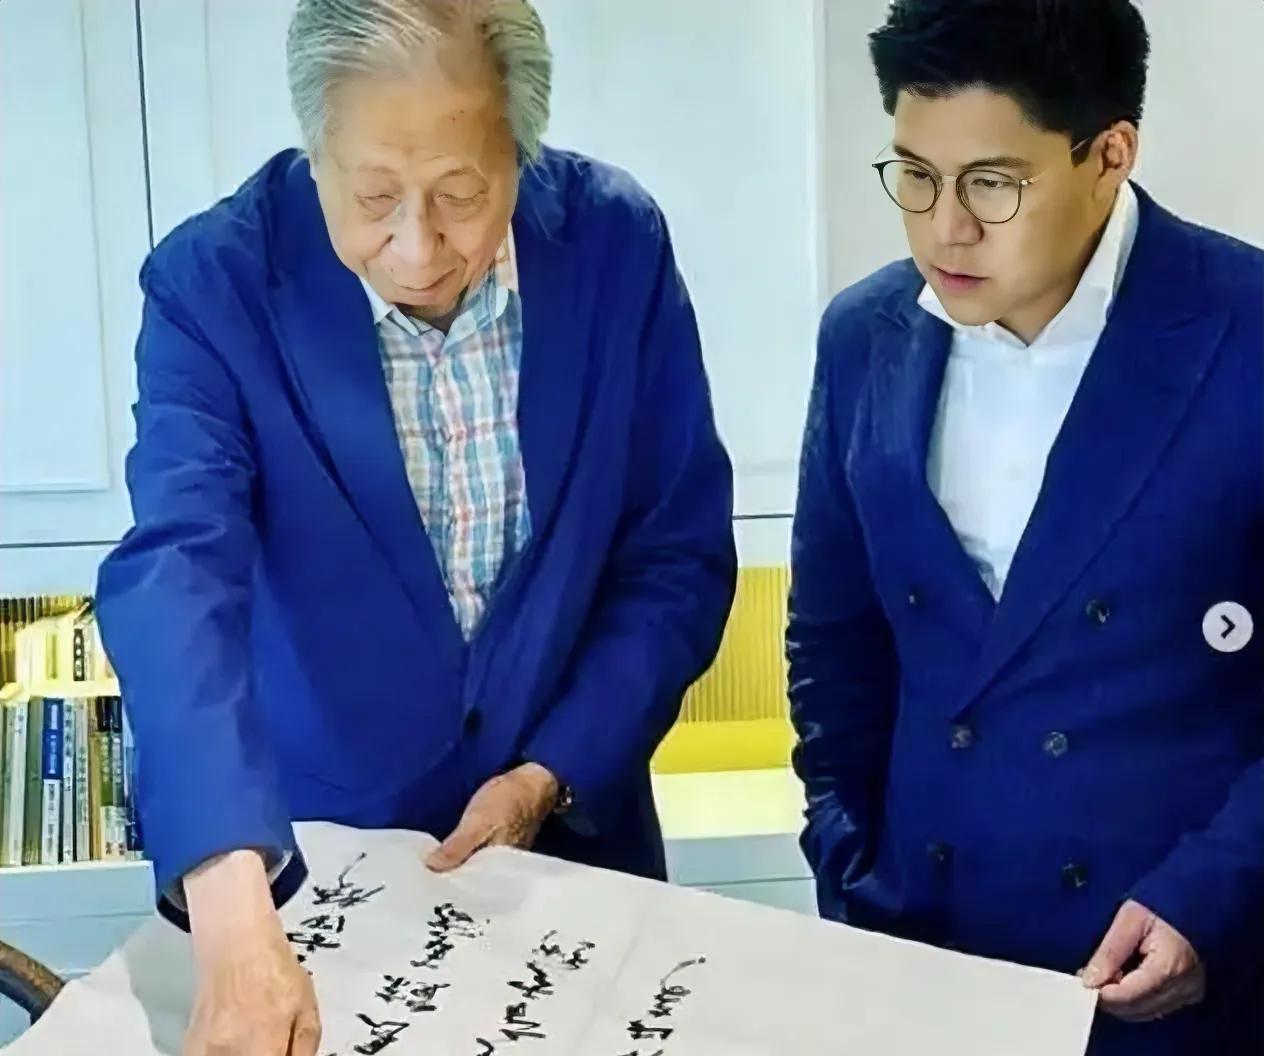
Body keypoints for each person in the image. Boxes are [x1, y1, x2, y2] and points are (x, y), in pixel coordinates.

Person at [94, 1, 736, 1052]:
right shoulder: (214, 284)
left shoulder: (615, 246)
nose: (416, 247)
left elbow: (674, 555)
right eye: (373, 196)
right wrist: (230, 902)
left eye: (461, 194)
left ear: (520, 148)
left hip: (578, 857)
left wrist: (549, 773)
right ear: (316, 150)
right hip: (319, 884)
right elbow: (178, 578)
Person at [787, 1, 1262, 1053]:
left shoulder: (1246, 328)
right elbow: (834, 639)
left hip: (1168, 961)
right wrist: (844, 850)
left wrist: (1217, 891)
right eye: (915, 174)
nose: (943, 228)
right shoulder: (863, 337)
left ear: (1110, 154)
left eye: (992, 184)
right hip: (918, 950)